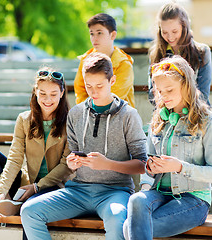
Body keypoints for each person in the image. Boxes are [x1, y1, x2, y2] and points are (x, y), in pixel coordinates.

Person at [20, 52, 147, 240]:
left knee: (116, 219)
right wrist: (72, 163)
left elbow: (142, 164)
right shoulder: (76, 114)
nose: (93, 92)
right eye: (88, 86)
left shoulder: (129, 115)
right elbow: (71, 159)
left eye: (99, 86)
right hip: (77, 191)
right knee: (29, 211)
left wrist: (107, 164)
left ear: (112, 81)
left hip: (115, 192)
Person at [123, 56, 212, 239]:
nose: (163, 96)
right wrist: (150, 168)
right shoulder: (158, 119)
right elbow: (148, 163)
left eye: (169, 90)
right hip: (159, 194)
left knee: (128, 228)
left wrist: (179, 167)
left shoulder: (209, 121)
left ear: (186, 86)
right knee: (136, 199)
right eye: (160, 91)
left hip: (193, 199)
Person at [0, 66, 73, 214]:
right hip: (26, 183)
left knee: (30, 210)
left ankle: (20, 204)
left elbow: (65, 165)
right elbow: (15, 158)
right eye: (43, 93)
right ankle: (6, 200)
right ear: (35, 92)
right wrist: (2, 191)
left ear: (62, 93)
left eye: (53, 94)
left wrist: (36, 187)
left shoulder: (70, 122)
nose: (48, 100)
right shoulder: (24, 119)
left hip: (53, 186)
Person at [148, 2, 212, 104]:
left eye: (174, 31)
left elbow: (203, 94)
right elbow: (152, 94)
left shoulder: (202, 52)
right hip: (166, 113)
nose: (170, 37)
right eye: (165, 32)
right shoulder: (156, 53)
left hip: (196, 112)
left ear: (184, 27)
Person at [74, 13, 135, 107]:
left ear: (113, 35)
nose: (94, 38)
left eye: (99, 33)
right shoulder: (85, 60)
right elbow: (80, 90)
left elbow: (115, 96)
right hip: (90, 115)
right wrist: (86, 112)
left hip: (120, 117)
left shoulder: (123, 63)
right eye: (91, 34)